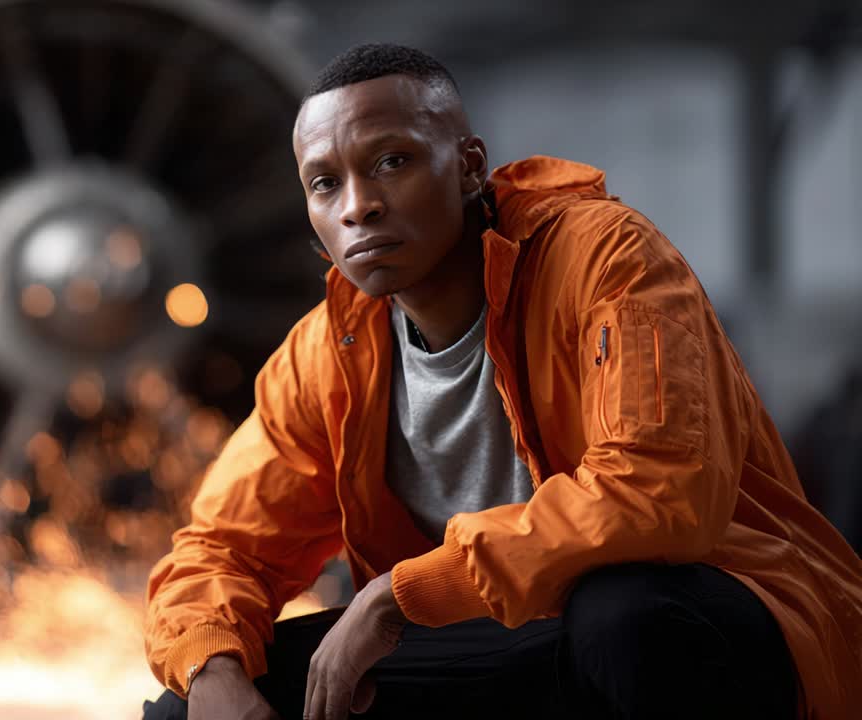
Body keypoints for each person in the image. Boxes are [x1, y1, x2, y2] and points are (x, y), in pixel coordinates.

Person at [142, 43, 862, 720]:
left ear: (468, 165)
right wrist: (214, 672)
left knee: (626, 614)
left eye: (393, 161)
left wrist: (396, 596)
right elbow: (220, 549)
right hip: (500, 645)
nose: (358, 205)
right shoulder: (327, 354)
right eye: (325, 183)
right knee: (190, 704)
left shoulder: (605, 258)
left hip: (724, 623)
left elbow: (659, 494)